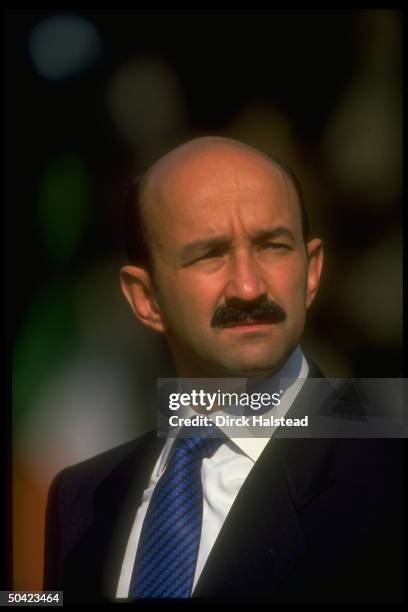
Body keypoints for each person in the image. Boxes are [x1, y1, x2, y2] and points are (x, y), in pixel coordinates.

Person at [43, 137, 402, 603]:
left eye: (273, 246)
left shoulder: (387, 467)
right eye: (209, 255)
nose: (249, 287)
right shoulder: (81, 499)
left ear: (311, 272)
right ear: (145, 299)